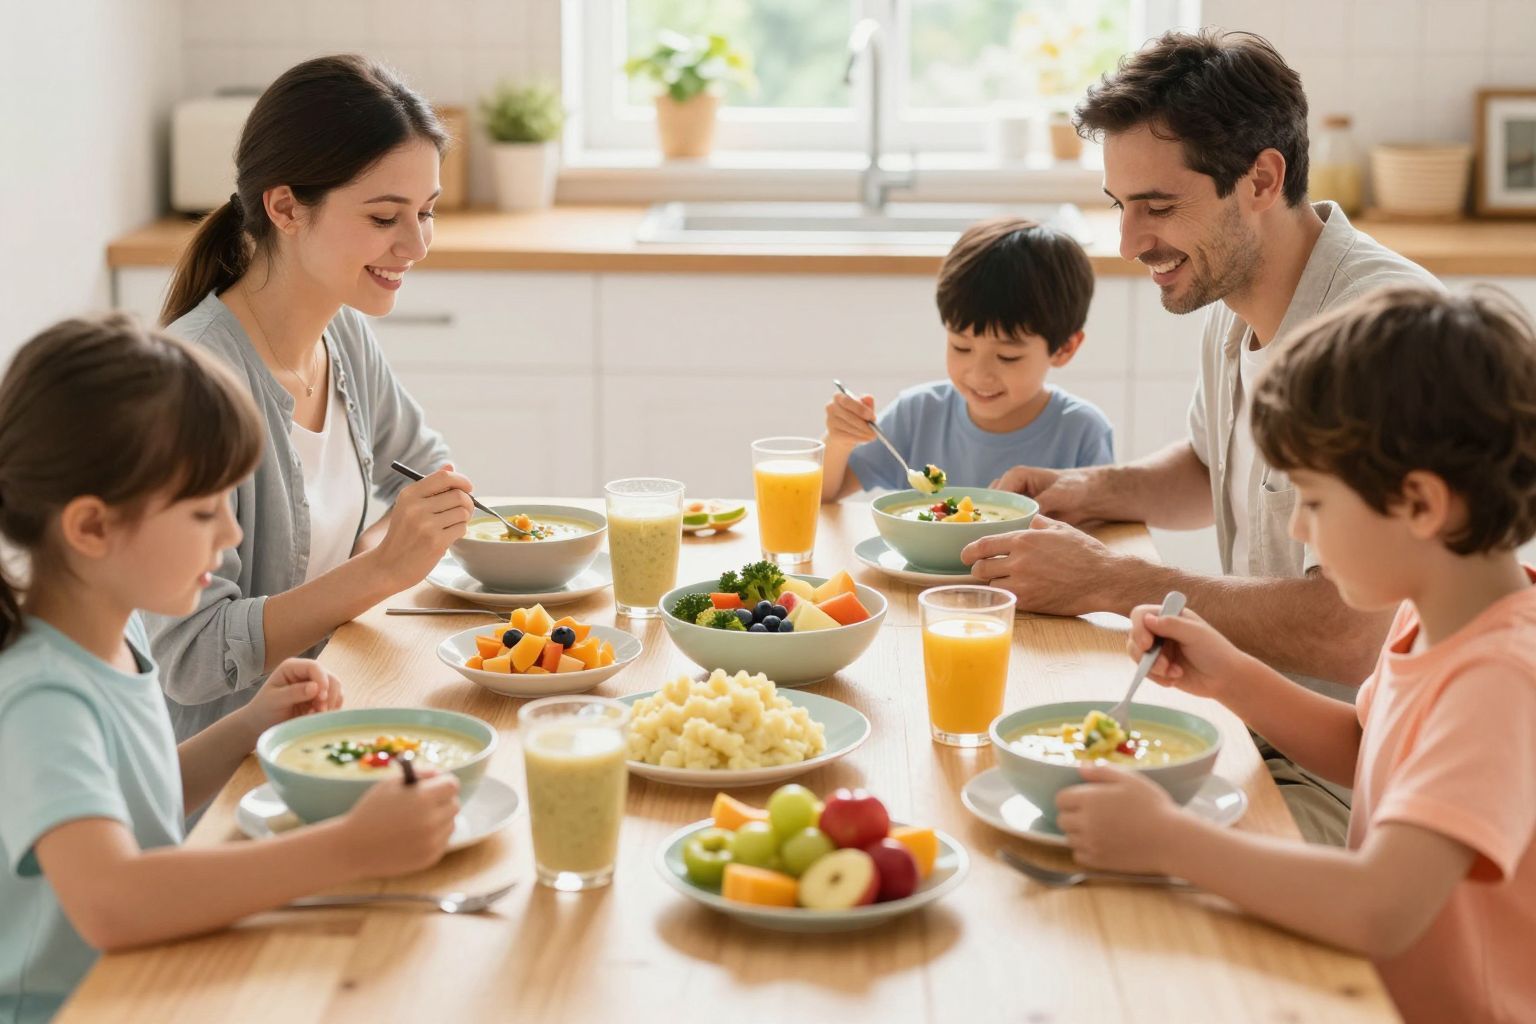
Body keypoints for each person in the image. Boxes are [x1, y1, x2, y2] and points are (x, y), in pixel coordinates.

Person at [972, 30, 1437, 843]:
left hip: (1357, 778)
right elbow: (1208, 463)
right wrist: (1091, 490)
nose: (1129, 242)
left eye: (1158, 205)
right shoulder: (1238, 298)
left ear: (1261, 178)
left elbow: (1351, 629)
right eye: (1122, 206)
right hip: (1252, 723)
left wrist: (1109, 583)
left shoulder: (1378, 334)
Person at [1055, 287, 1536, 1023]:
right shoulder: (1434, 613)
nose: (1302, 533)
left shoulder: (1500, 679)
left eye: (1313, 501)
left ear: (1421, 504)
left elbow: (1380, 905)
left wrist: (1169, 841)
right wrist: (1233, 676)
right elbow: (1369, 747)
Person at [0, 315, 460, 1024]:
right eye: (203, 511)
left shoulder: (112, 640)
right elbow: (113, 900)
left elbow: (136, 803)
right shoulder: (42, 696)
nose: (232, 532)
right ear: (91, 527)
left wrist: (245, 728)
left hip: (147, 981)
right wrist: (346, 849)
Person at [155, 54, 475, 739]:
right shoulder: (190, 386)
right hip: (235, 774)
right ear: (285, 206)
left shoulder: (344, 334)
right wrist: (383, 569)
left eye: (426, 211)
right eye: (385, 216)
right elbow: (191, 654)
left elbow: (426, 475)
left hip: (342, 715)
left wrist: (392, 554)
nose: (416, 244)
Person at [821, 218, 1113, 502]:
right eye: (961, 347)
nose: (979, 374)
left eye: (1007, 356)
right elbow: (824, 493)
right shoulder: (918, 415)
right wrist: (839, 441)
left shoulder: (1082, 432)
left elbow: (1103, 535)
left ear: (1064, 348)